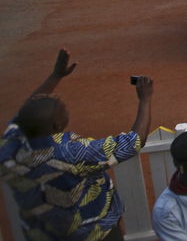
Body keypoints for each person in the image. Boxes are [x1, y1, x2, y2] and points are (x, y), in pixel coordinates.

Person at [0, 49, 154, 241]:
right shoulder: (69, 152)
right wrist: (145, 100)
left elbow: (29, 111)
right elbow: (133, 143)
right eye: (61, 108)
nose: (62, 105)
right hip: (91, 233)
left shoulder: (10, 144)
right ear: (57, 125)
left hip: (42, 234)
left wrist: (55, 76)